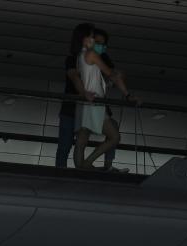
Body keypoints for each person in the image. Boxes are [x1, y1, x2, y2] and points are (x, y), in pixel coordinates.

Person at [74, 28, 136, 171]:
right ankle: (86, 164)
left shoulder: (80, 56)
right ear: (85, 39)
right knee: (114, 137)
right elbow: (111, 74)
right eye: (94, 40)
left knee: (82, 139)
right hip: (95, 102)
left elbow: (84, 77)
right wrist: (126, 92)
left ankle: (79, 170)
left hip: (85, 101)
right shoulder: (92, 54)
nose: (97, 44)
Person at [91, 29, 141, 173]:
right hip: (89, 102)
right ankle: (90, 164)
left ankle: (95, 164)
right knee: (112, 134)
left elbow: (114, 75)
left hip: (97, 103)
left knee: (110, 130)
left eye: (103, 44)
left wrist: (121, 89)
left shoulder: (101, 57)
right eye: (98, 43)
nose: (101, 46)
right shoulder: (86, 57)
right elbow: (114, 75)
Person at [56, 22, 94, 168]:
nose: (93, 40)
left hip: (76, 106)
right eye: (90, 36)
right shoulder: (73, 59)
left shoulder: (90, 59)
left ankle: (64, 173)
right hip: (73, 106)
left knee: (74, 144)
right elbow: (74, 77)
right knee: (68, 145)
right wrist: (84, 93)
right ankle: (64, 173)